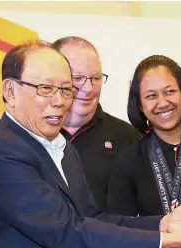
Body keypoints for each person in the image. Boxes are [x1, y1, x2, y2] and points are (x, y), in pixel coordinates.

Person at [0, 40, 181, 248]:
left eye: (66, 90)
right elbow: (65, 233)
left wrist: (163, 224)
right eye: (45, 88)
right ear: (9, 91)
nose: (59, 101)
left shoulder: (60, 146)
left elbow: (92, 219)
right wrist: (167, 241)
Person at [107, 55, 181, 216]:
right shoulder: (129, 161)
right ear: (140, 105)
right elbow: (120, 226)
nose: (162, 103)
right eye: (151, 96)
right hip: (157, 242)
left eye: (170, 91)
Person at [52, 36, 142, 210]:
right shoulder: (32, 136)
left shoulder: (128, 139)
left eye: (96, 78)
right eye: (77, 78)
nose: (89, 89)